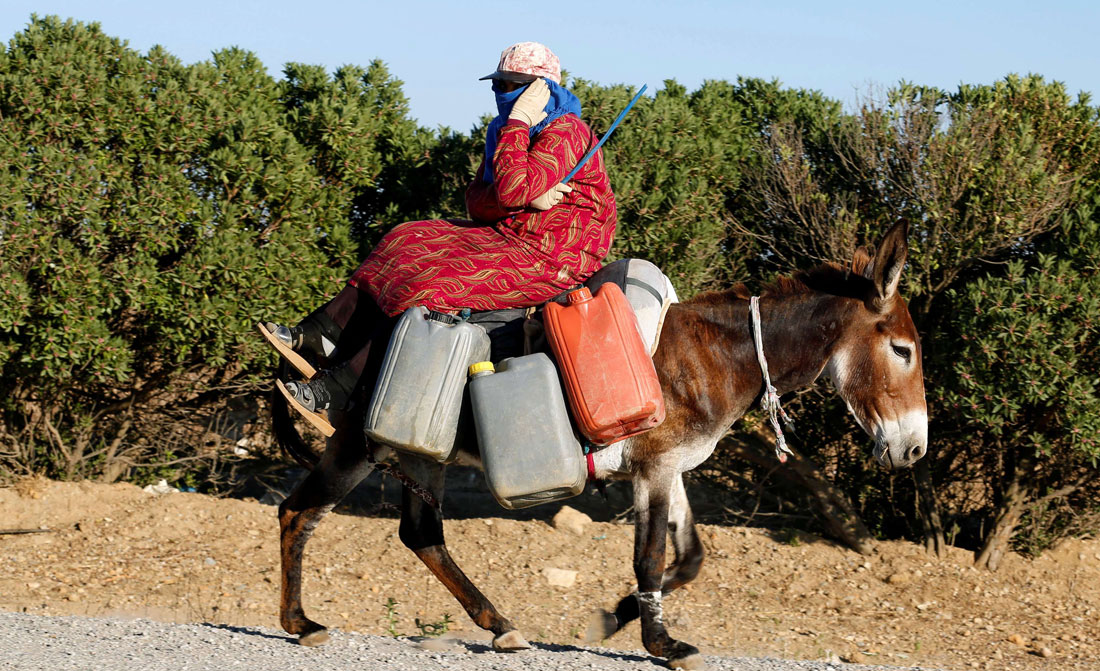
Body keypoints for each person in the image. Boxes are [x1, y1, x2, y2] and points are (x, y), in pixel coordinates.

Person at [259, 42, 618, 434]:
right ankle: (322, 333)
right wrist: (524, 198)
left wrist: (518, 147)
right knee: (406, 238)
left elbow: (510, 189)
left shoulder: (564, 131)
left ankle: (341, 389)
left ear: (541, 89)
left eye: (513, 84)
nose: (502, 93)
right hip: (510, 235)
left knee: (433, 284)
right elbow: (479, 201)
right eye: (498, 84)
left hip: (554, 256)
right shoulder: (506, 128)